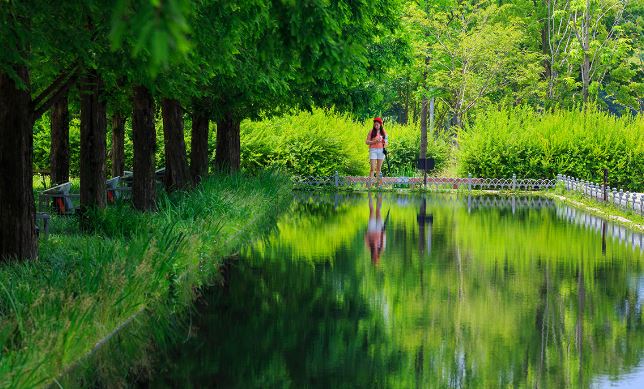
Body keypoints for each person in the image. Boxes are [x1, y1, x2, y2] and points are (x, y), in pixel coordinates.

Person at [365, 117, 388, 188]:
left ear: (381, 124)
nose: (376, 126)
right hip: (373, 150)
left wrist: (384, 141)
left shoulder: (384, 132)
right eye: (375, 124)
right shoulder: (371, 131)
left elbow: (387, 143)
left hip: (381, 151)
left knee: (378, 169)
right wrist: (374, 141)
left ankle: (379, 185)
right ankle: (370, 185)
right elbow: (367, 142)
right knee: (372, 168)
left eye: (377, 124)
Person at [364, 192, 386, 265]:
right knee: (378, 211)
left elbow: (365, 237)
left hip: (371, 230)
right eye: (376, 258)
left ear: (372, 257)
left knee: (371, 211)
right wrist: (383, 231)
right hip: (380, 230)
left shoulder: (369, 247)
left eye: (374, 258)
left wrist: (367, 234)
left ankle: (370, 195)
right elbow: (384, 238)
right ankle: (380, 194)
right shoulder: (381, 248)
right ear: (378, 257)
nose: (375, 256)